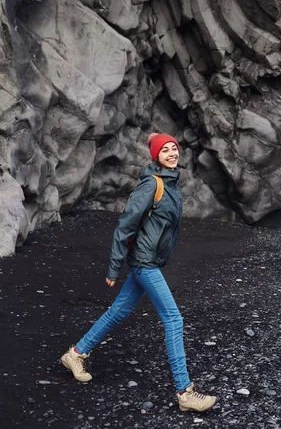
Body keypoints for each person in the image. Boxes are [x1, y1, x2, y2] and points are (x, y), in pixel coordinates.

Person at [60, 133, 216, 413]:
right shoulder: (152, 185)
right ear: (155, 156)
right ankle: (185, 393)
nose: (171, 153)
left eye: (174, 149)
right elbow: (125, 225)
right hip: (144, 263)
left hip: (150, 260)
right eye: (164, 150)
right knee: (173, 320)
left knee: (118, 312)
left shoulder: (171, 182)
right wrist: (114, 265)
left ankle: (75, 354)